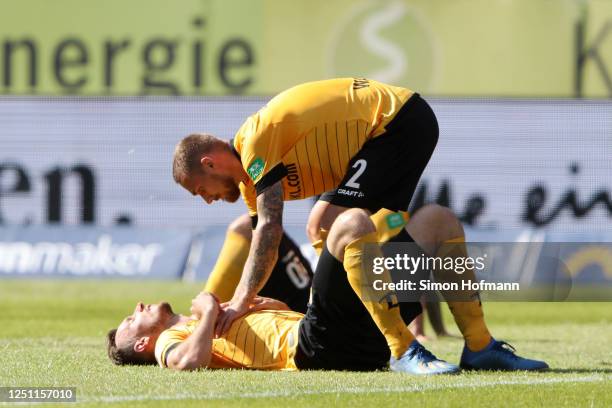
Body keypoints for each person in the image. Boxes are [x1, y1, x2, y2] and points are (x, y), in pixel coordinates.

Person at [171, 78, 547, 373]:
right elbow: (262, 242)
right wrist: (246, 298)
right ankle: (477, 344)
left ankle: (402, 348)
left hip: (397, 124)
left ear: (209, 163)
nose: (205, 199)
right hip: (381, 134)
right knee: (325, 224)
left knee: (337, 221)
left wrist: (239, 301)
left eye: (198, 190)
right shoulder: (252, 182)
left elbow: (270, 227)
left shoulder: (254, 143)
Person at [204, 213, 313, 313]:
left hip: (298, 317)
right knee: (255, 226)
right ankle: (206, 312)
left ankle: (205, 313)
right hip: (304, 308)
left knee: (251, 227)